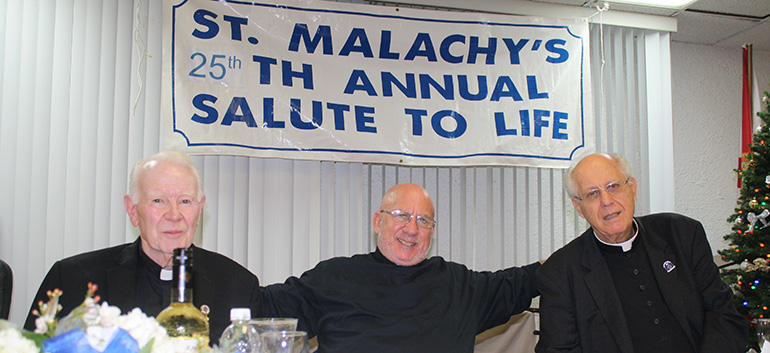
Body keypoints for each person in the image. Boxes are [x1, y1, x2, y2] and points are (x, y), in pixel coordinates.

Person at [260, 183, 540, 353]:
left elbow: (535, 277)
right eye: (401, 216)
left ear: (432, 231)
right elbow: (261, 307)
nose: (412, 229)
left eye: (423, 220)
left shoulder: (460, 286)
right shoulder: (334, 278)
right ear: (377, 222)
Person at [24, 150, 261, 345]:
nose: (174, 215)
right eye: (158, 201)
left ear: (199, 211)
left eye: (185, 201)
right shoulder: (71, 280)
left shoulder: (236, 285)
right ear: (132, 210)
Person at [535, 153, 748, 353]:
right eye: (592, 194)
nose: (607, 201)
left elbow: (723, 315)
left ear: (633, 189)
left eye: (613, 186)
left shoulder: (682, 235)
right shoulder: (561, 272)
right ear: (579, 208)